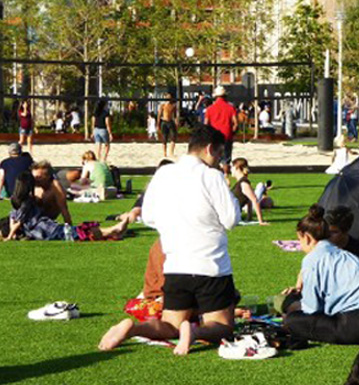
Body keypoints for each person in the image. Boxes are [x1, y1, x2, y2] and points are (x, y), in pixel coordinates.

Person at [99, 124, 241, 355]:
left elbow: (149, 216)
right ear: (210, 149)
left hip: (176, 265)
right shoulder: (212, 176)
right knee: (224, 326)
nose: (219, 159)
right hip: (211, 265)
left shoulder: (164, 173)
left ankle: (133, 329)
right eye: (220, 153)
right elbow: (231, 219)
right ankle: (196, 332)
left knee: (171, 325)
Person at [281, 205, 359, 346]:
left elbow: (312, 309)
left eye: (299, 240)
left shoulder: (313, 259)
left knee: (292, 320)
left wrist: (293, 306)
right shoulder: (346, 255)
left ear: (306, 237)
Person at [0, 172, 126, 241]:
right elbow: (16, 220)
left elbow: (16, 220)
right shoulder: (28, 200)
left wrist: (9, 237)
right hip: (45, 227)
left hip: (45, 229)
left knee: (76, 233)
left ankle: (112, 230)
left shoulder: (17, 200)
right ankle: (112, 231)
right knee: (75, 232)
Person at [204, 86, 238, 169]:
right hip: (227, 135)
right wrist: (232, 132)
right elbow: (236, 123)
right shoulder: (230, 108)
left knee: (214, 158)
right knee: (226, 159)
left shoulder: (209, 109)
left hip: (214, 136)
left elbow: (206, 124)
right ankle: (226, 176)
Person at [230, 158, 268, 224]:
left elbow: (254, 200)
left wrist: (260, 221)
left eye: (232, 167)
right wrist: (249, 216)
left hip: (231, 215)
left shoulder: (243, 183)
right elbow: (249, 200)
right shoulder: (241, 182)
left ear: (237, 168)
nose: (230, 170)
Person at [159, 93, 178, 158]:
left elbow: (175, 115)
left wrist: (176, 122)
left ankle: (171, 152)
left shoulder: (173, 105)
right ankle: (164, 153)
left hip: (170, 121)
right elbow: (159, 114)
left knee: (173, 137)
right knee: (164, 138)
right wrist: (158, 123)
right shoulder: (163, 105)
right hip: (164, 121)